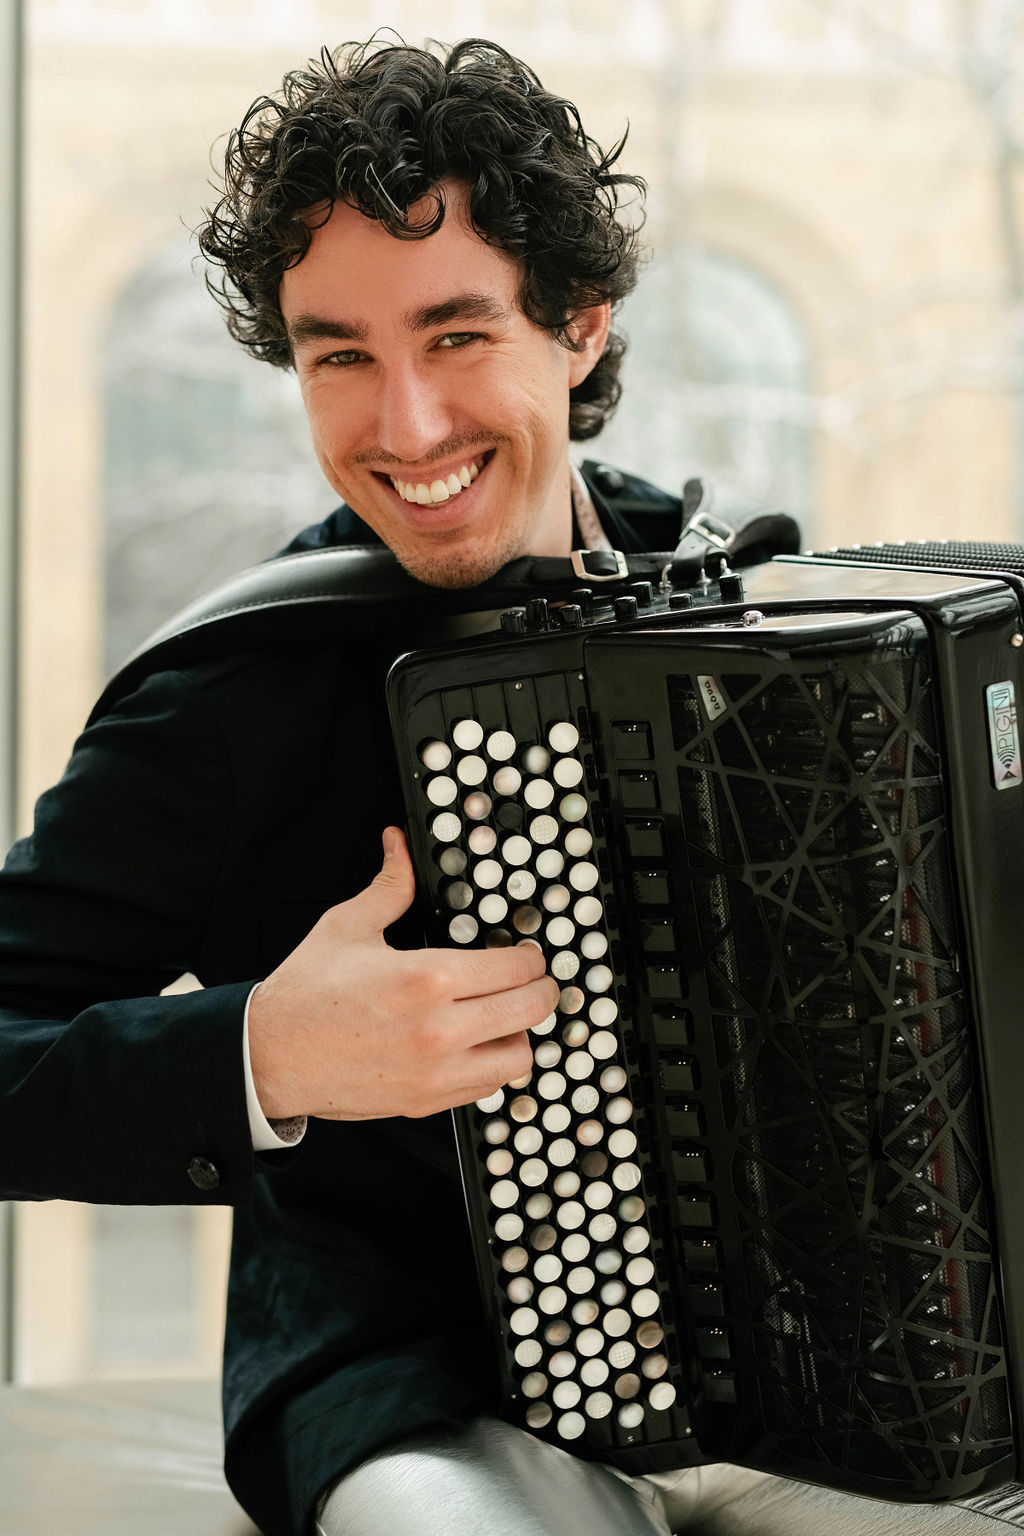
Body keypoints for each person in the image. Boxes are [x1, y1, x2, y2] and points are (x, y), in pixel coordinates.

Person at [0, 33, 948, 1536]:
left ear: (578, 327)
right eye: (341, 358)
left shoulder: (762, 628)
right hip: (425, 1395)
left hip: (836, 1373)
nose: (407, 428)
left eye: (454, 337)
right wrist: (265, 1055)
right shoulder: (242, 692)